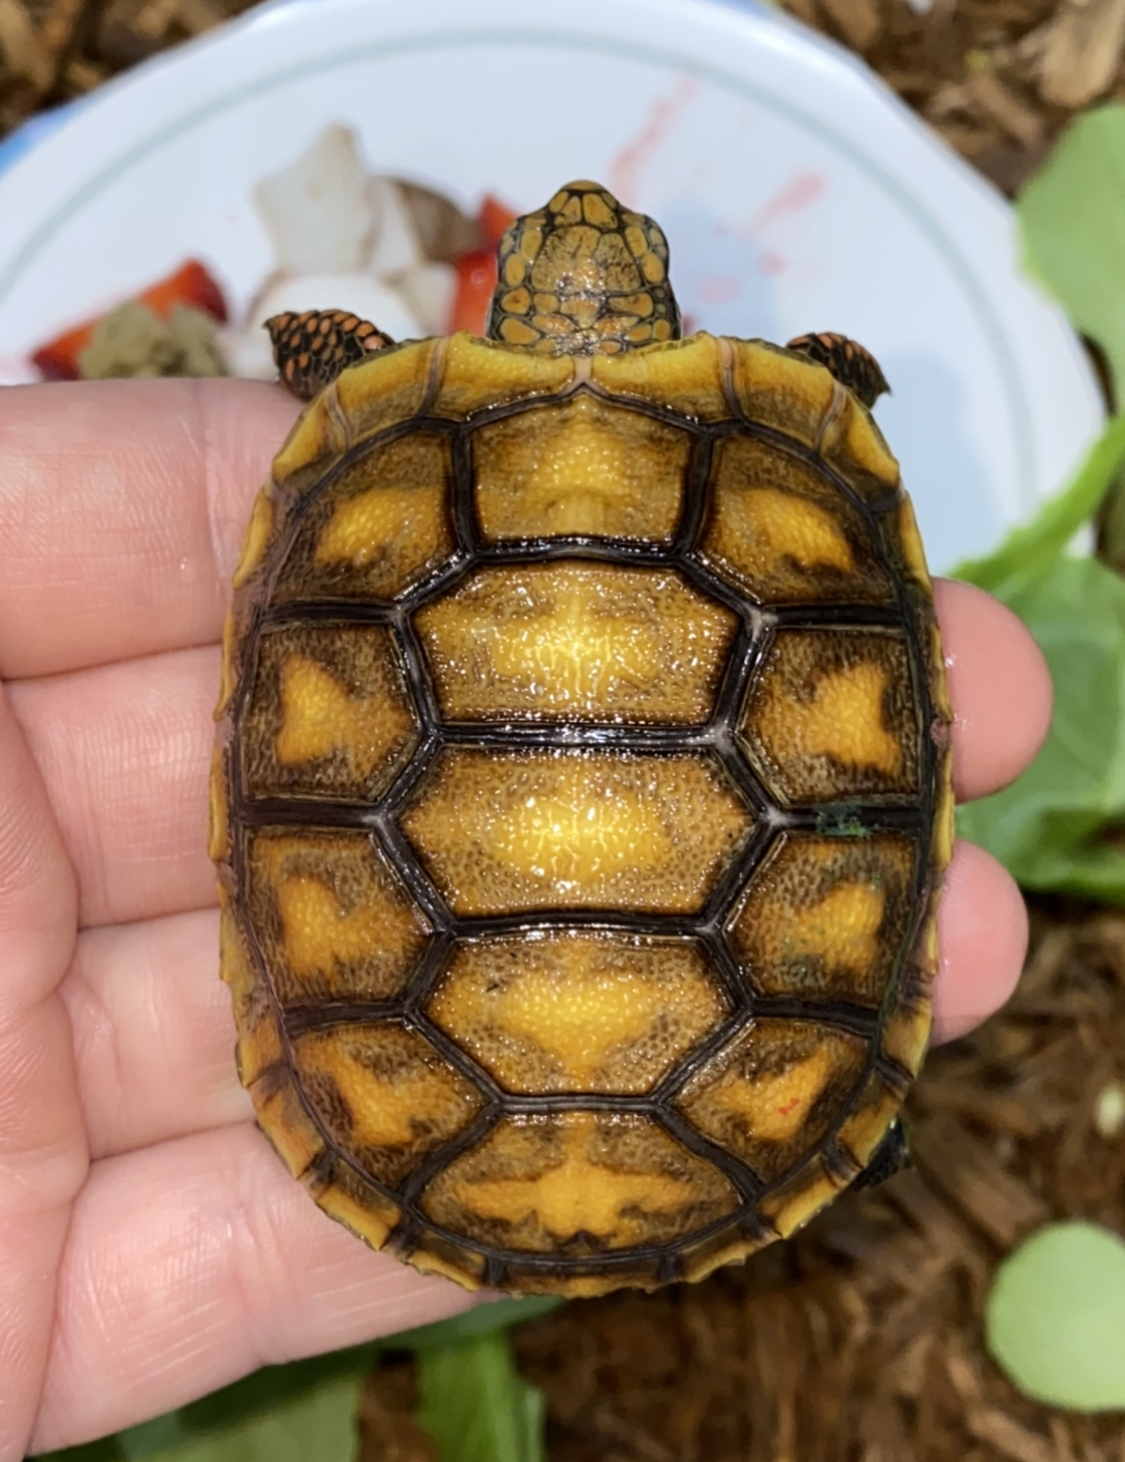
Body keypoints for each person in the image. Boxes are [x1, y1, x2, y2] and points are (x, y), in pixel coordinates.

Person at [0, 379, 1052, 1460]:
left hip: (429, 1134)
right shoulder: (776, 441)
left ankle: (836, 1127)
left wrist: (337, 377)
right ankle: (834, 1128)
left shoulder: (393, 426)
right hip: (728, 1135)